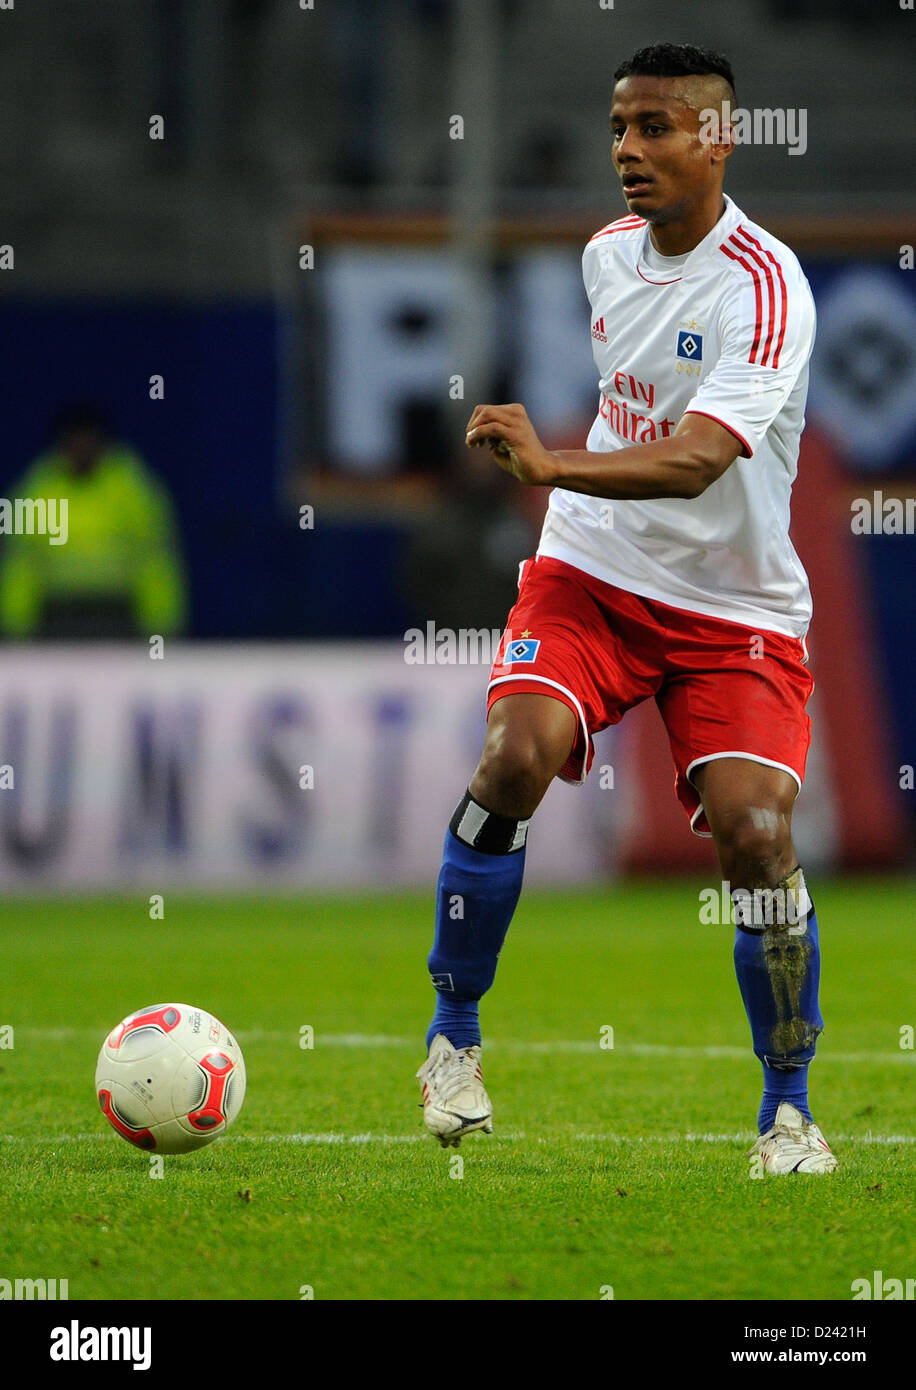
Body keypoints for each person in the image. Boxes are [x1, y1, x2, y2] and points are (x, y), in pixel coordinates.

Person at [416, 43, 838, 1175]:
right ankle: (451, 1037)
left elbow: (700, 458)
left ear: (718, 138)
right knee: (513, 756)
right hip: (595, 575)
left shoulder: (766, 284)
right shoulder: (605, 258)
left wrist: (549, 466)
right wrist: (565, 488)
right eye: (618, 127)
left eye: (655, 127)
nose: (627, 151)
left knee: (756, 836)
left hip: (733, 608)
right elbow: (632, 415)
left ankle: (788, 1113)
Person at [0, 404, 187, 640]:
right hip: (57, 617)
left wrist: (161, 625)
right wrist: (16, 628)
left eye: (88, 439)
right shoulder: (38, 490)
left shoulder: (132, 489)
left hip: (118, 616)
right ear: (62, 443)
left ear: (103, 442)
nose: (82, 447)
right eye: (74, 440)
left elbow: (154, 561)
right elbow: (21, 566)